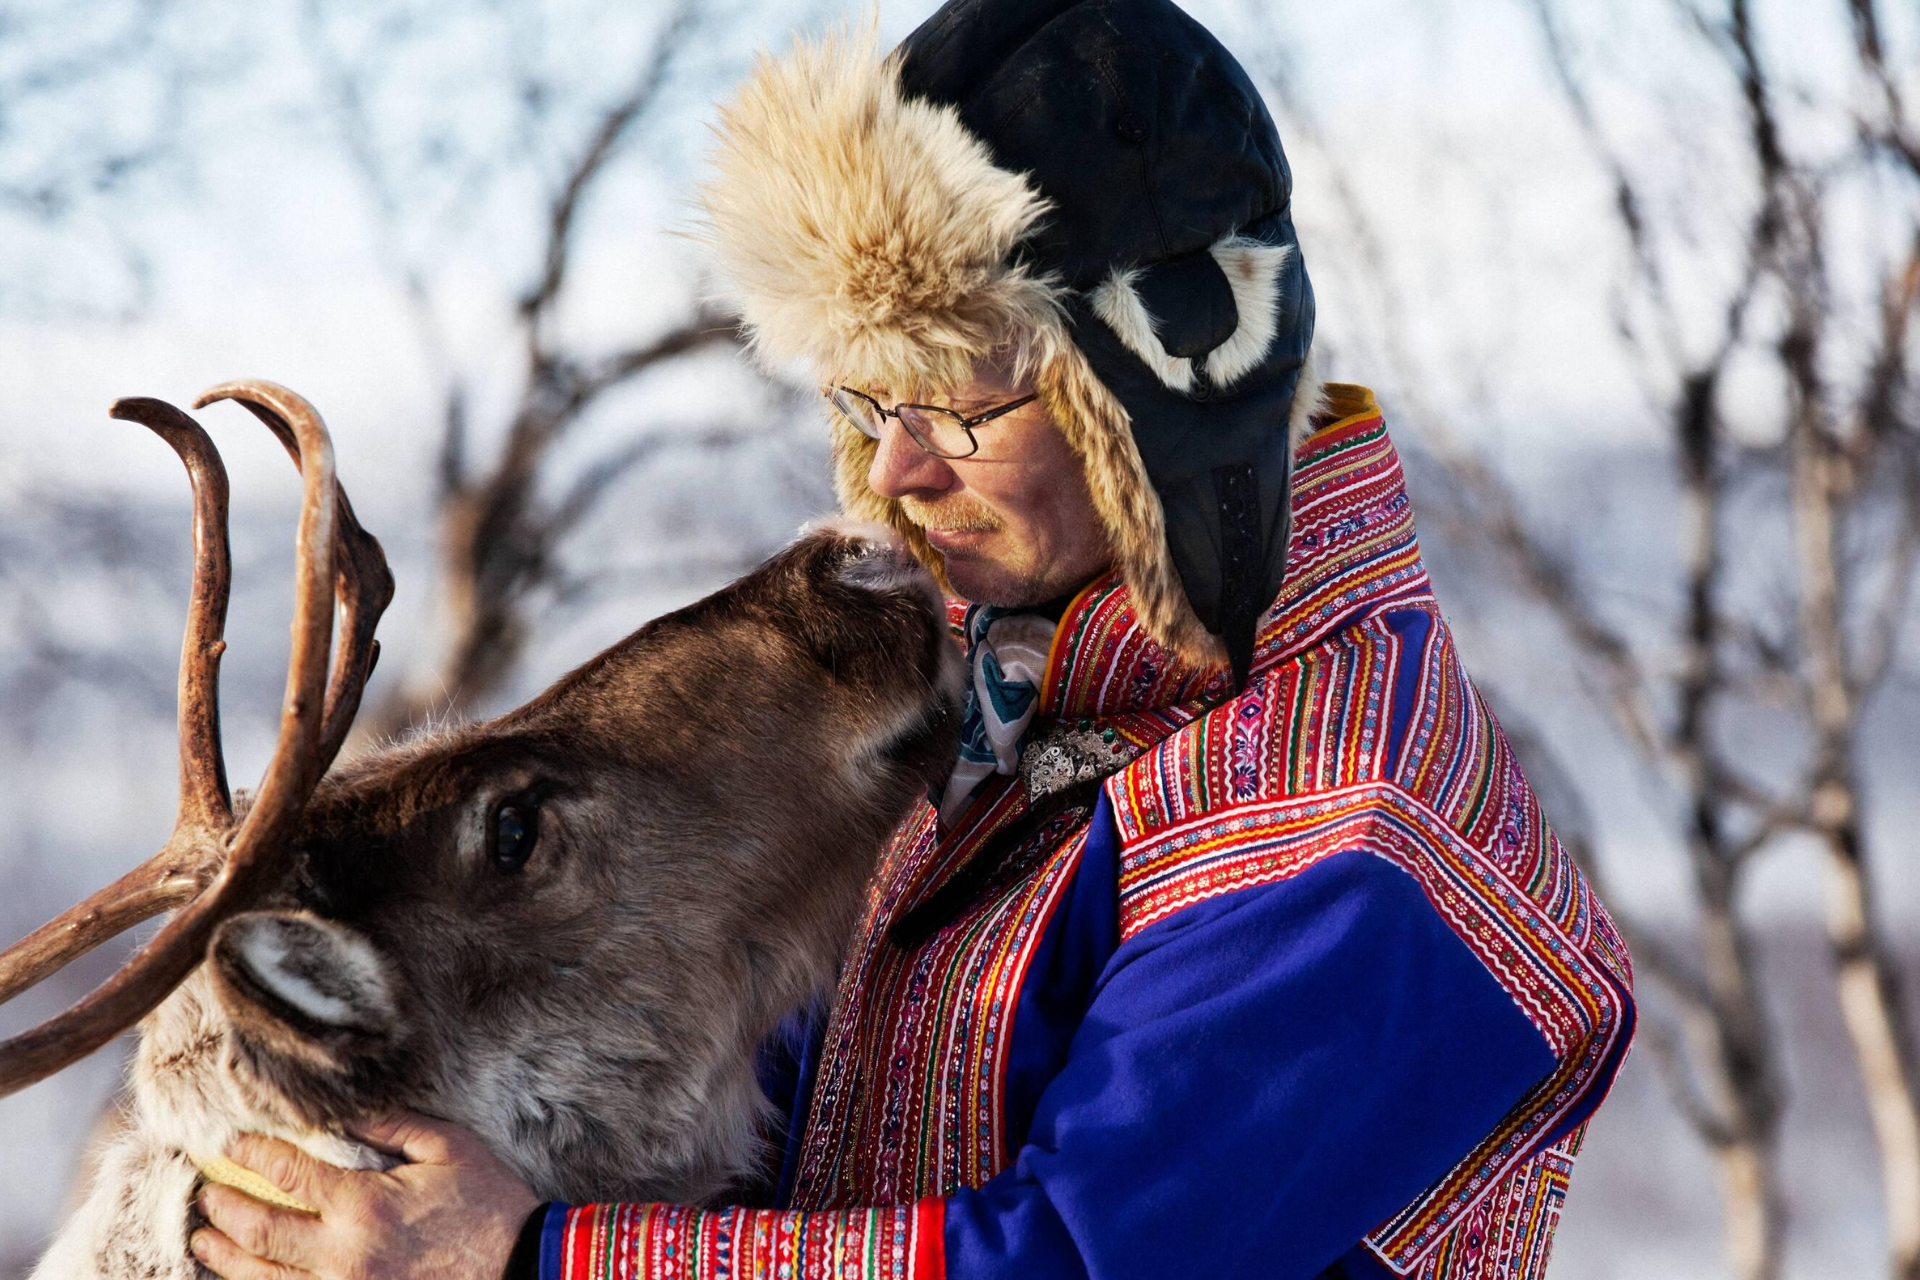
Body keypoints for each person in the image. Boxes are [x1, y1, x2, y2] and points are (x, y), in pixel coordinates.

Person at [190, 1, 1636, 1277]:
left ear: (1157, 386)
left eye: (955, 408)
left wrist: (536, 1264)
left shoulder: (1351, 831)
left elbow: (1079, 1262)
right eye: (871, 407)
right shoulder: (999, 717)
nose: (894, 474)